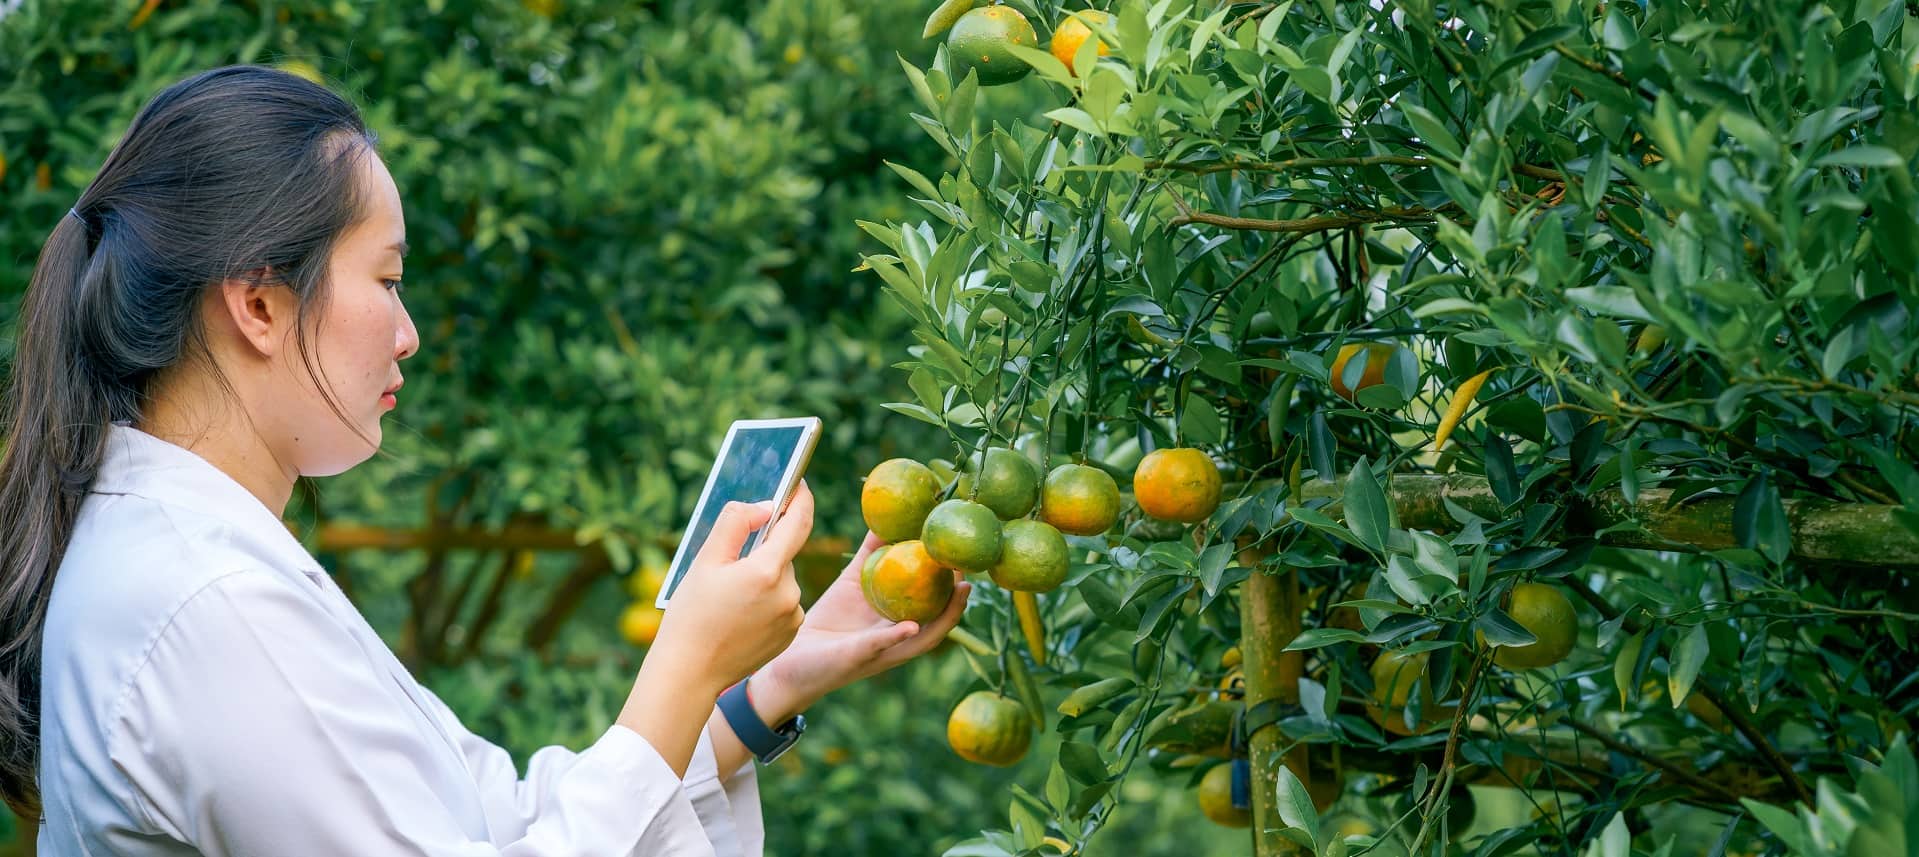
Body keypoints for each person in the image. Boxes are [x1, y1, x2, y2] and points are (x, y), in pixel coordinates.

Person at [0, 66, 971, 856]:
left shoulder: (187, 559)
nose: (408, 332)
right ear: (258, 303)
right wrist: (683, 659)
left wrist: (765, 684)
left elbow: (493, 816)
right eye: (385, 278)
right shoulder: (209, 603)